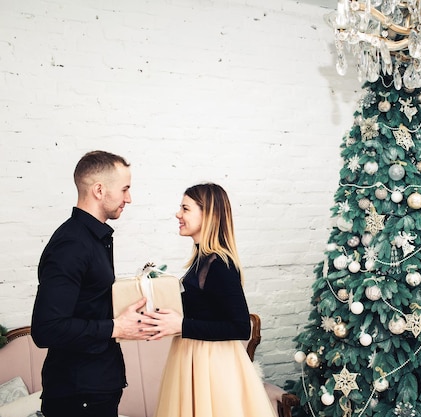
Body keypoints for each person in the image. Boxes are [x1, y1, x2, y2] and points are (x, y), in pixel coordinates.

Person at [31, 150, 151, 417]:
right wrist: (116, 326)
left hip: (95, 388)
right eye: (125, 189)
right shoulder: (72, 244)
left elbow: (87, 305)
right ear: (99, 190)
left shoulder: (94, 238)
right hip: (78, 395)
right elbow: (46, 329)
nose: (128, 198)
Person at [143, 183, 276, 417]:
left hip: (213, 367)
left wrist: (181, 325)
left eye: (185, 209)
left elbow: (241, 326)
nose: (178, 214)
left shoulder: (220, 265)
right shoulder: (200, 260)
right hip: (192, 359)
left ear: (208, 214)